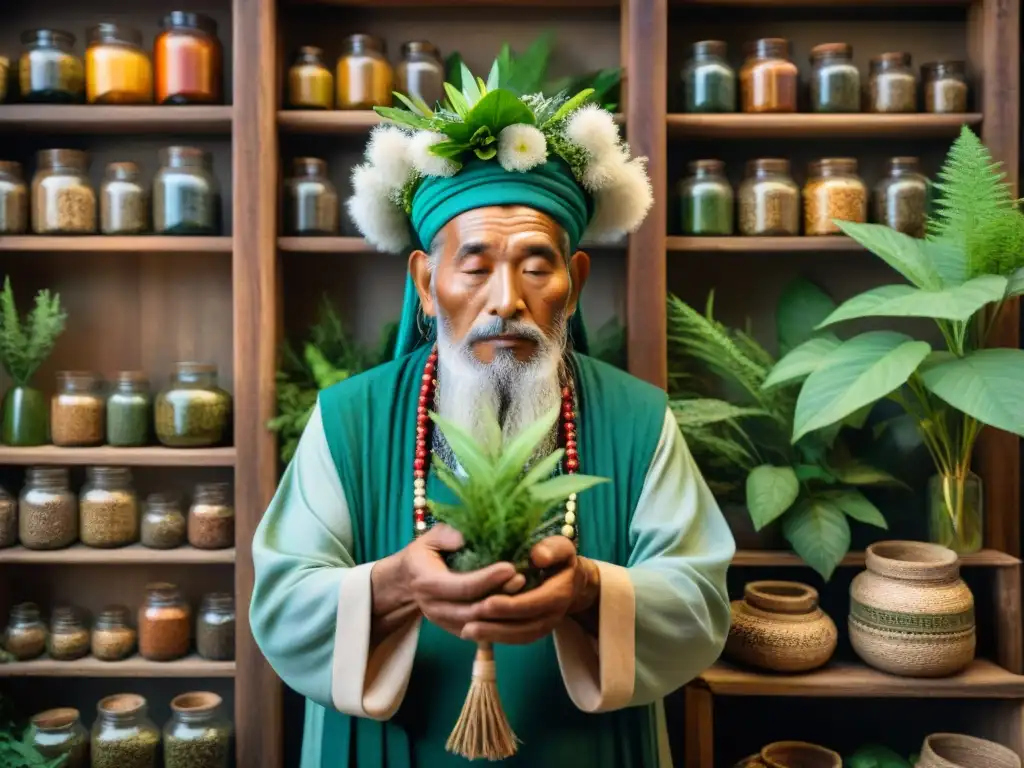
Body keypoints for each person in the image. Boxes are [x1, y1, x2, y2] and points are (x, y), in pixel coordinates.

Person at [250, 73, 735, 768]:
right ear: (425, 284)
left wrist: (589, 590)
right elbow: (281, 600)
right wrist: (397, 585)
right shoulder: (348, 417)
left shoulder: (638, 418)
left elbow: (697, 600)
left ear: (576, 282)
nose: (505, 300)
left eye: (537, 268)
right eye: (474, 268)